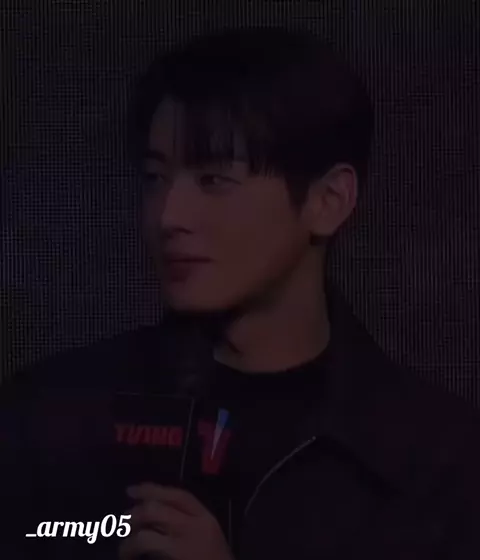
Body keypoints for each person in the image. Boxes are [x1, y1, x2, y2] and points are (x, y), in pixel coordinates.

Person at [1, 26, 480, 560]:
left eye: (213, 180)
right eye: (155, 178)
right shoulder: (51, 416)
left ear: (328, 201)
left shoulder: (436, 461)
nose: (168, 216)